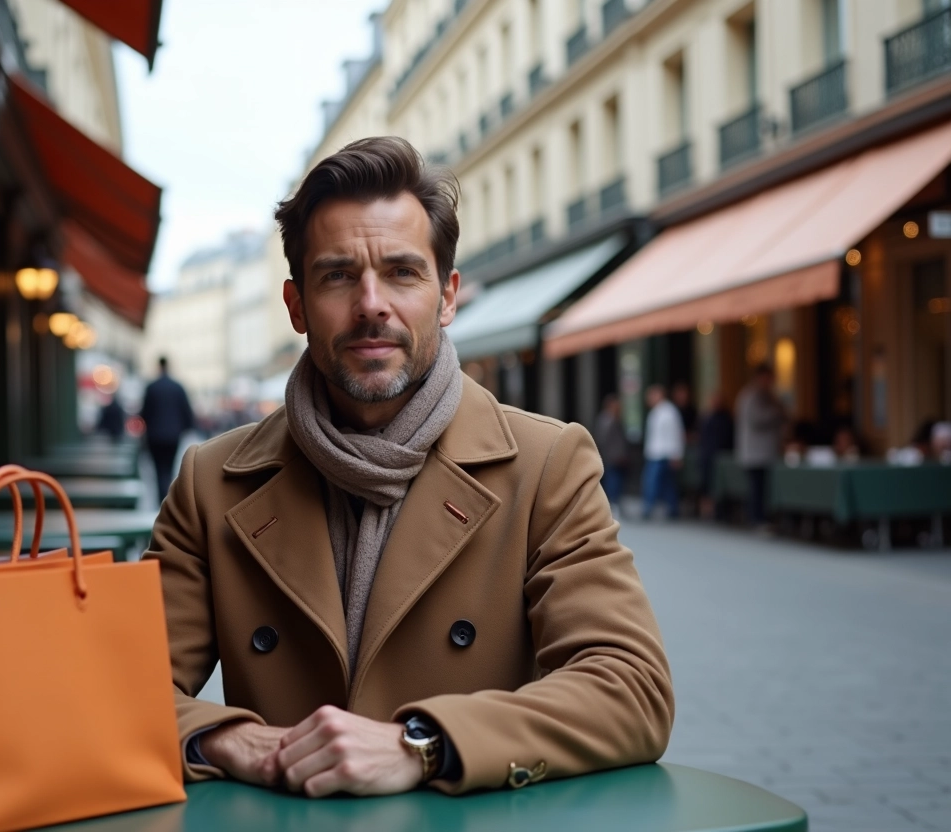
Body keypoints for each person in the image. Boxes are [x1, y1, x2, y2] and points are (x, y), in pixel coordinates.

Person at [147, 137, 672, 798]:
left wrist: (421, 744)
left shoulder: (545, 466)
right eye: (338, 275)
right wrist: (235, 739)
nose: (372, 303)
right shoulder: (212, 483)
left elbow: (631, 689)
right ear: (296, 305)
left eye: (401, 272)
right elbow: (124, 690)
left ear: (447, 297)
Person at [735, 364, 786, 529]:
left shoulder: (762, 394)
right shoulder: (753, 395)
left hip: (761, 452)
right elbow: (756, 419)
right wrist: (777, 412)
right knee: (757, 487)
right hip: (755, 452)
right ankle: (757, 519)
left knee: (760, 487)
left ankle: (759, 518)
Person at [140, 356, 196, 502]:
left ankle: (162, 498)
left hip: (154, 436)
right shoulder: (178, 387)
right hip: (173, 436)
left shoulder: (151, 387)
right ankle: (168, 499)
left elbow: (144, 413)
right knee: (169, 468)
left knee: (158, 470)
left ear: (158, 366)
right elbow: (187, 412)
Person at [640, 385, 685, 519]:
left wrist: (677, 454)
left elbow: (676, 434)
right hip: (655, 453)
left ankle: (649, 508)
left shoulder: (669, 411)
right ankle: (672, 509)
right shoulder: (655, 412)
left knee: (654, 482)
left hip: (664, 453)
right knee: (667, 484)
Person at [697, 392, 735, 518]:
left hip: (719, 455)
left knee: (718, 484)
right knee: (706, 483)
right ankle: (707, 511)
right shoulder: (707, 416)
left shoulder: (726, 418)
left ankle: (718, 511)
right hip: (706, 455)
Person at [593, 393, 629, 517]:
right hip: (613, 456)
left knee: (615, 480)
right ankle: (613, 503)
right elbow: (604, 439)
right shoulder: (608, 419)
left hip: (615, 456)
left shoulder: (612, 418)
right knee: (613, 481)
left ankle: (614, 503)